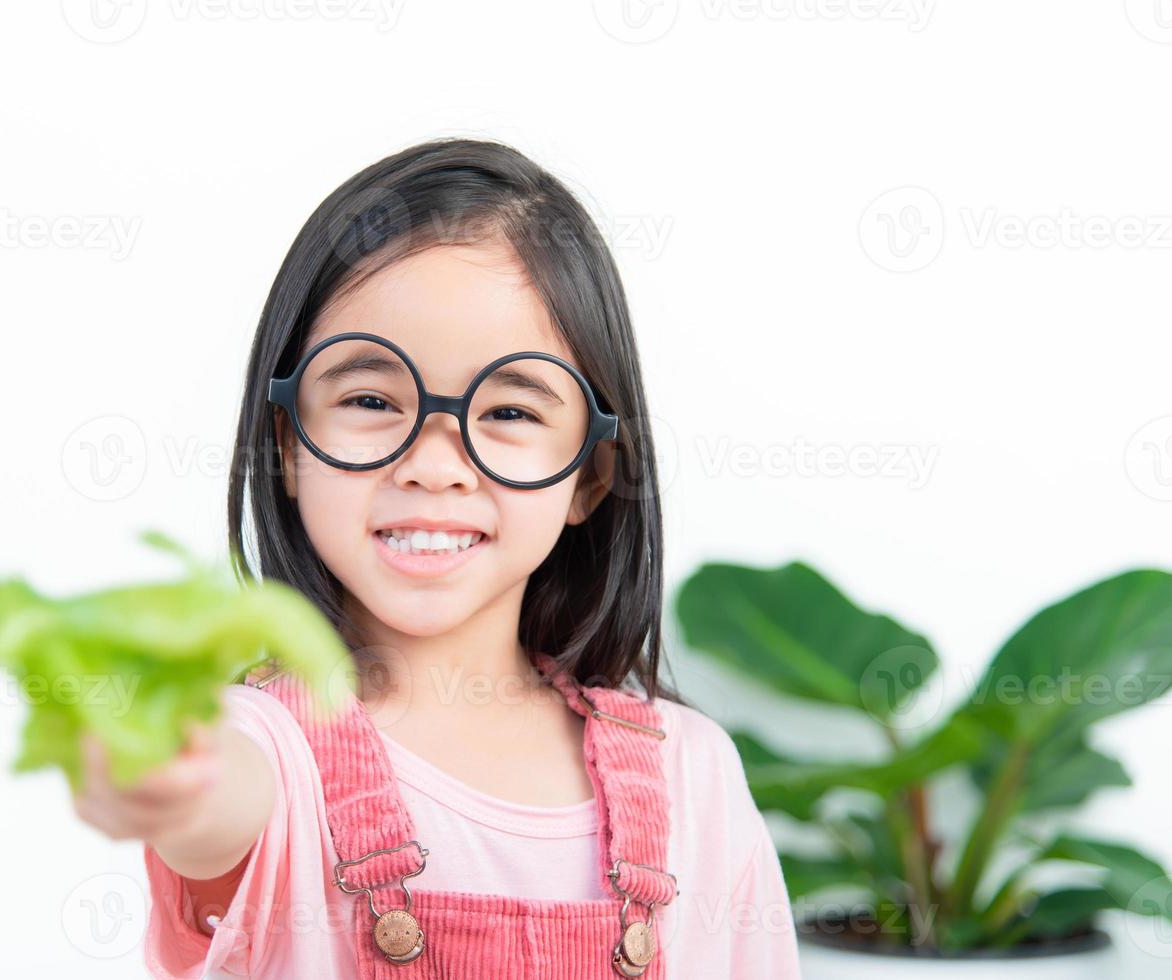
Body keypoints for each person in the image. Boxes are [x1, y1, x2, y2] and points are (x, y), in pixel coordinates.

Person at [72, 137, 802, 978]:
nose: (433, 460)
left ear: (589, 476)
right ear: (287, 445)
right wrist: (166, 773)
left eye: (512, 413)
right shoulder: (268, 750)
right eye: (373, 399)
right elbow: (214, 804)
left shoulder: (693, 774)